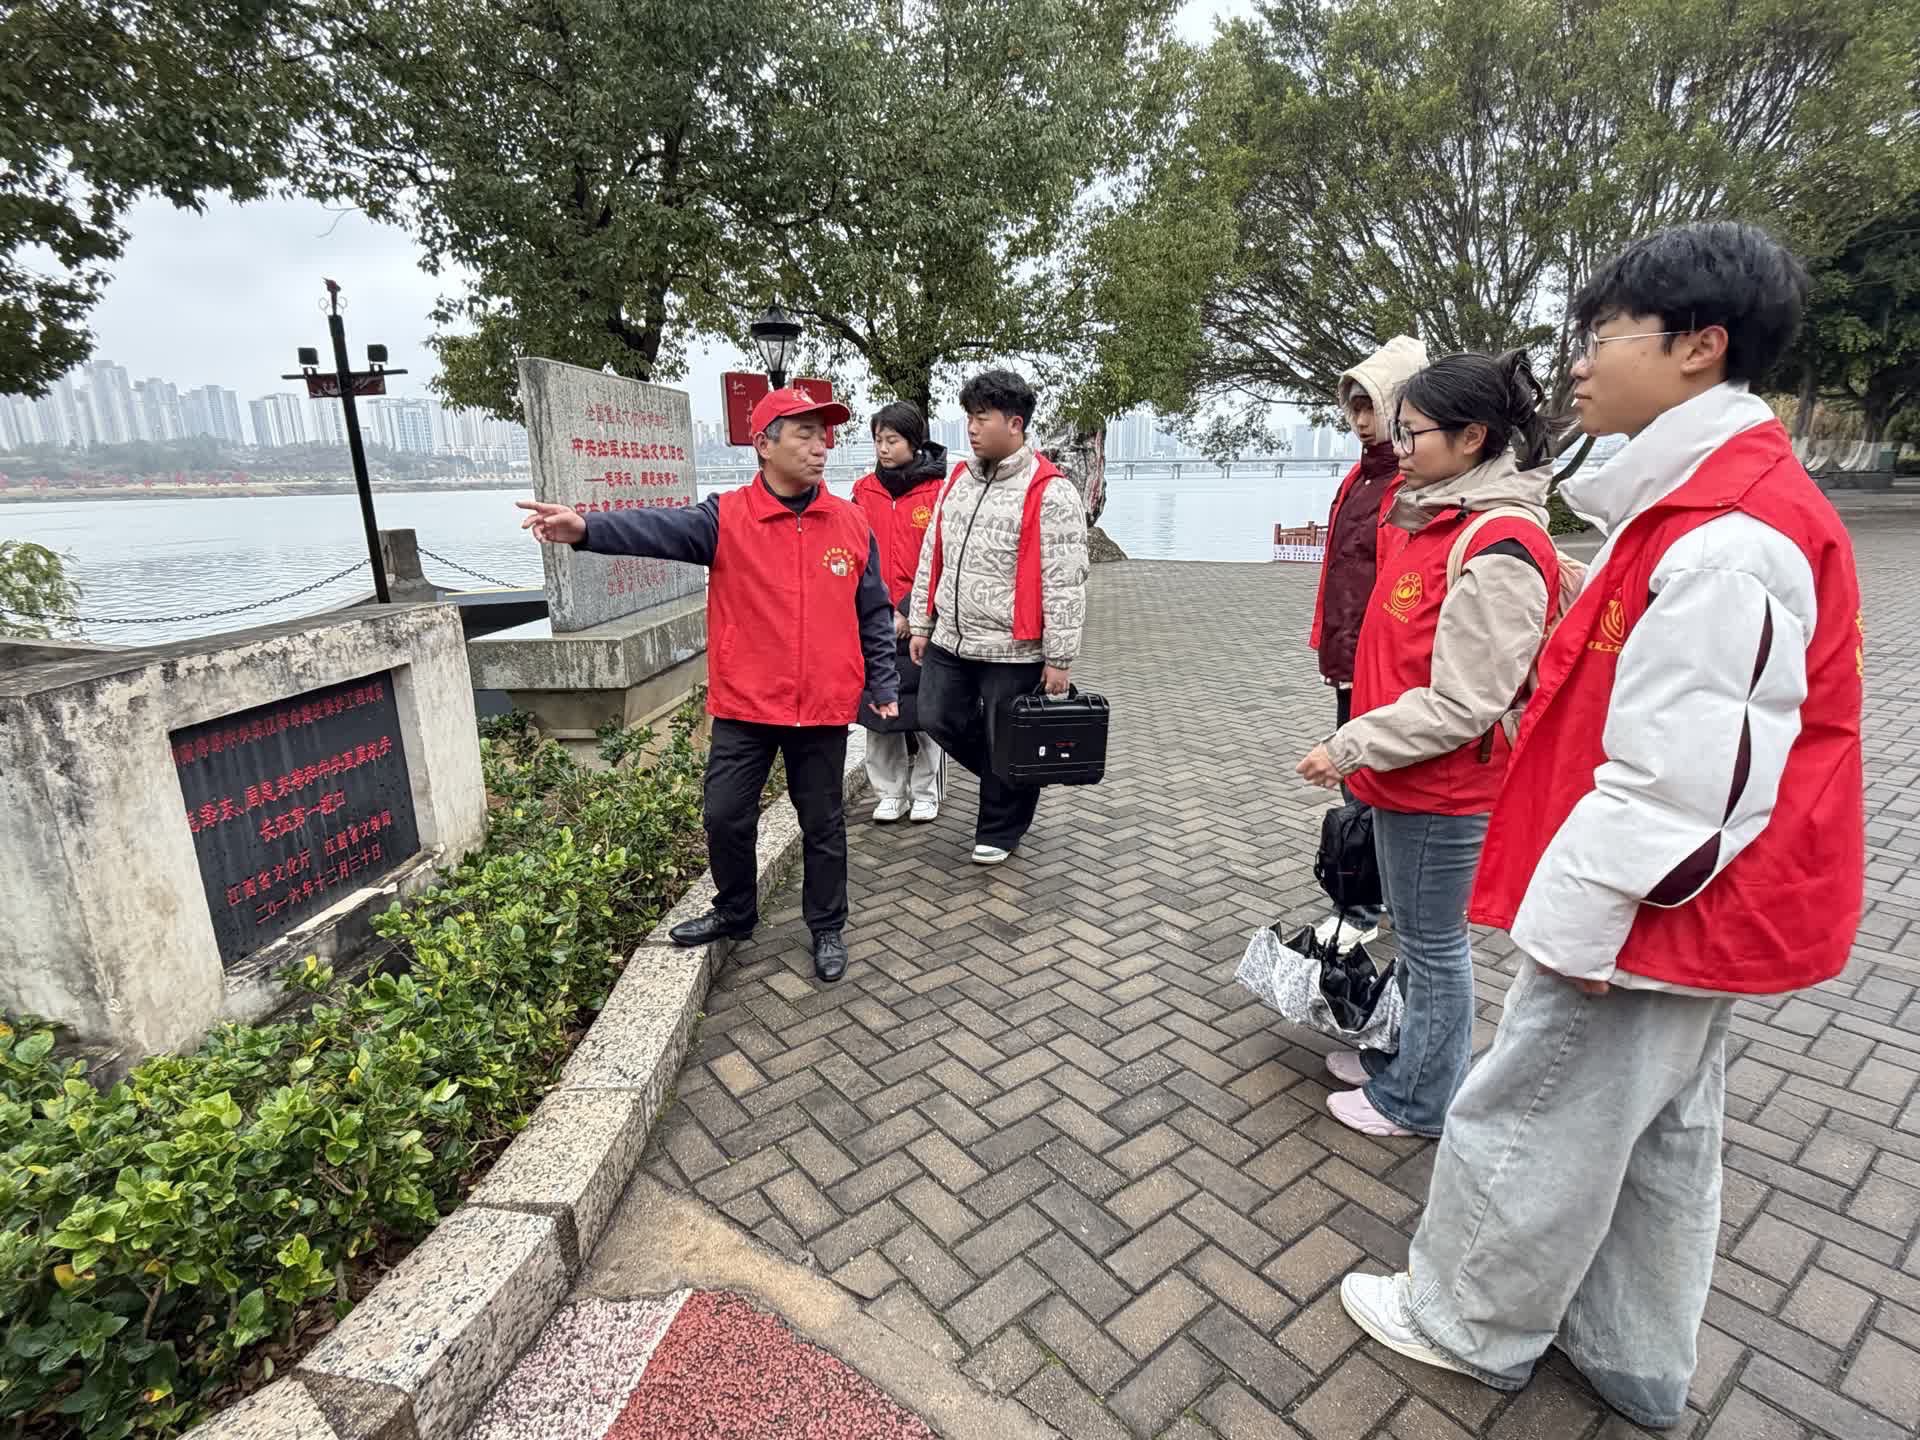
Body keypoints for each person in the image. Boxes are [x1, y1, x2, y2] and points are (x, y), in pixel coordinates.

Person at [1336, 223, 1863, 1432]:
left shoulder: (1728, 534)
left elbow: (1687, 785)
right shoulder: (1696, 507)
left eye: (1603, 336)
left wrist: (1582, 925)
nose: (1577, 364)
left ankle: (1465, 1321)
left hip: (1653, 910)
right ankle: (1630, 1350)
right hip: (1689, 909)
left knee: (1529, 1115)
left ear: (1698, 346)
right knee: (1663, 1138)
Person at [516, 387, 900, 983]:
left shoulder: (849, 521)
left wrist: (883, 682)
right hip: (747, 704)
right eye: (804, 434)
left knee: (822, 824)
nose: (820, 447)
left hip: (822, 705)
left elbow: (872, 611)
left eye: (823, 436)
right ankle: (735, 911)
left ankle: (827, 925)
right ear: (764, 445)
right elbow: (657, 529)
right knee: (725, 816)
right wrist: (585, 527)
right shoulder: (726, 518)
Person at [1296, 349, 1564, 1138]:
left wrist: (1351, 744)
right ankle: (1398, 1055)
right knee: (1417, 940)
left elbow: (1465, 701)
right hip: (1407, 769)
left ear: (1473, 436)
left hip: (1445, 784)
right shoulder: (1438, 516)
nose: (1398, 446)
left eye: (1412, 432)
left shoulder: (1497, 543)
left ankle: (1418, 1098)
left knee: (1434, 946)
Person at [908, 369, 1089, 866]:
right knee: (936, 715)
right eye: (969, 416)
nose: (971, 427)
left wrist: (1059, 657)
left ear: (1015, 424)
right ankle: (1008, 775)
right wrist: (922, 622)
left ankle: (1000, 828)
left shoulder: (1051, 491)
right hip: (951, 636)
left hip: (1014, 646)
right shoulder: (957, 481)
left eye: (982, 417)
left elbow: (1065, 580)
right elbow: (932, 554)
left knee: (1008, 734)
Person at [1308, 335, 1428, 946]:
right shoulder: (1359, 478)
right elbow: (1341, 571)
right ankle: (1373, 895)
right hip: (1351, 656)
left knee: (1372, 779)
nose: (1360, 421)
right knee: (1360, 778)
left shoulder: (1408, 487)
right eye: (1353, 408)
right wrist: (1329, 642)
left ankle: (1366, 905)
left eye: (1370, 407)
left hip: (1388, 662)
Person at [852, 401, 948, 824]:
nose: (884, 448)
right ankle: (889, 792)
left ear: (914, 442)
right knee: (879, 707)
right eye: (878, 440)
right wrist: (877, 611)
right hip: (874, 617)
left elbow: (943, 560)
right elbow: (854, 555)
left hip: (925, 620)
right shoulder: (863, 491)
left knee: (925, 710)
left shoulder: (938, 492)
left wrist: (912, 611)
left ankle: (926, 791)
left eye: (892, 440)